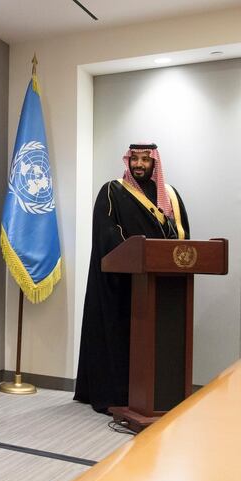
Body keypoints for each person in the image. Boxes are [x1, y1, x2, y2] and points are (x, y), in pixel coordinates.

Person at [75, 143, 190, 414]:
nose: (138, 164)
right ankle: (118, 395)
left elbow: (182, 238)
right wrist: (135, 257)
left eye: (144, 160)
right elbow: (106, 233)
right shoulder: (112, 191)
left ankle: (161, 396)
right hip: (121, 285)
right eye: (134, 159)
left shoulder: (170, 196)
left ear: (154, 164)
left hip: (162, 286)